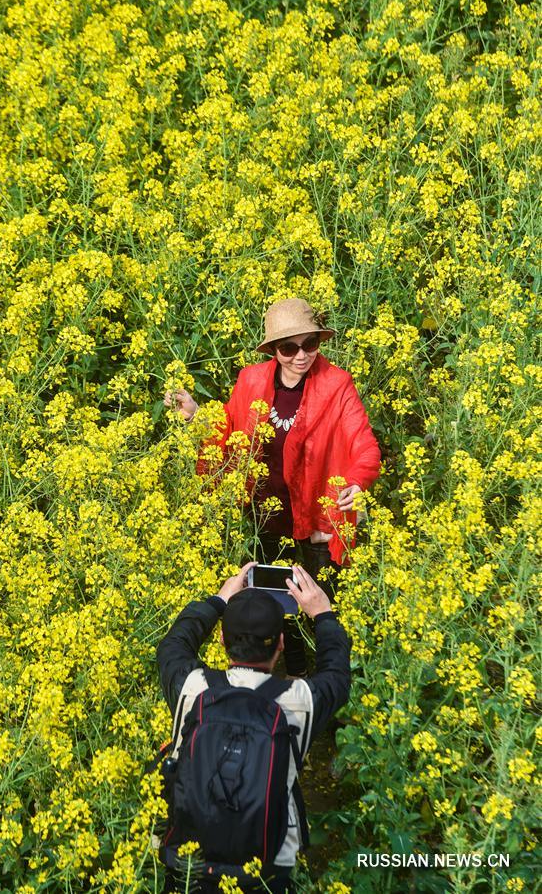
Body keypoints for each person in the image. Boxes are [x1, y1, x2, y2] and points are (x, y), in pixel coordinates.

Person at [164, 298, 380, 675]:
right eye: (289, 348)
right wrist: (198, 416)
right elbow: (229, 429)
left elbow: (362, 440)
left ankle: (325, 678)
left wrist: (359, 481)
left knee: (318, 597)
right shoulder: (251, 379)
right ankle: (292, 669)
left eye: (309, 344)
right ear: (273, 351)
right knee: (276, 598)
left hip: (314, 514)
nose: (301, 356)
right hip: (263, 514)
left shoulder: (336, 383)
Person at [156, 561, 352, 893]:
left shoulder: (192, 687)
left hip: (190, 866)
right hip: (266, 871)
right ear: (280, 643)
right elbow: (336, 676)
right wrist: (323, 614)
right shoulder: (299, 702)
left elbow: (173, 645)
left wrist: (217, 601)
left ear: (221, 639)